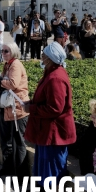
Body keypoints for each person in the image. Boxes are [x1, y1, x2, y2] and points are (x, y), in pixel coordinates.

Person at [23, 42, 76, 182]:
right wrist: (32, 103)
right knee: (43, 164)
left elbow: (55, 108)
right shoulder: (51, 72)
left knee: (52, 167)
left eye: (44, 55)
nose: (41, 57)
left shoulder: (56, 78)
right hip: (46, 131)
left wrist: (31, 109)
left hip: (54, 132)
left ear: (50, 58)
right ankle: (42, 191)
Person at [0, 42, 30, 184]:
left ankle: (21, 177)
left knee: (19, 143)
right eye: (2, 51)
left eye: (6, 51)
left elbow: (13, 84)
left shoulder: (15, 65)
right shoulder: (8, 64)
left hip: (17, 110)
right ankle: (8, 170)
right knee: (6, 140)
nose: (3, 53)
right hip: (7, 108)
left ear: (13, 51)